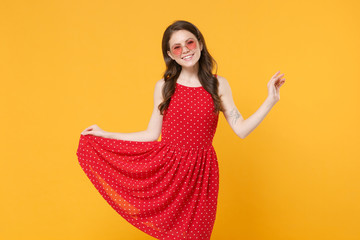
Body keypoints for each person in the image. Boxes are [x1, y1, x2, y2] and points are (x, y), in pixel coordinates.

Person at [76, 20, 285, 240]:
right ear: (170, 54)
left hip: (201, 175)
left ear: (200, 44)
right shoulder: (164, 86)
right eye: (177, 47)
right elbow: (150, 134)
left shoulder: (218, 85)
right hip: (167, 173)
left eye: (189, 43)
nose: (185, 50)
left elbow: (241, 129)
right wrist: (106, 134)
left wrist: (271, 100)